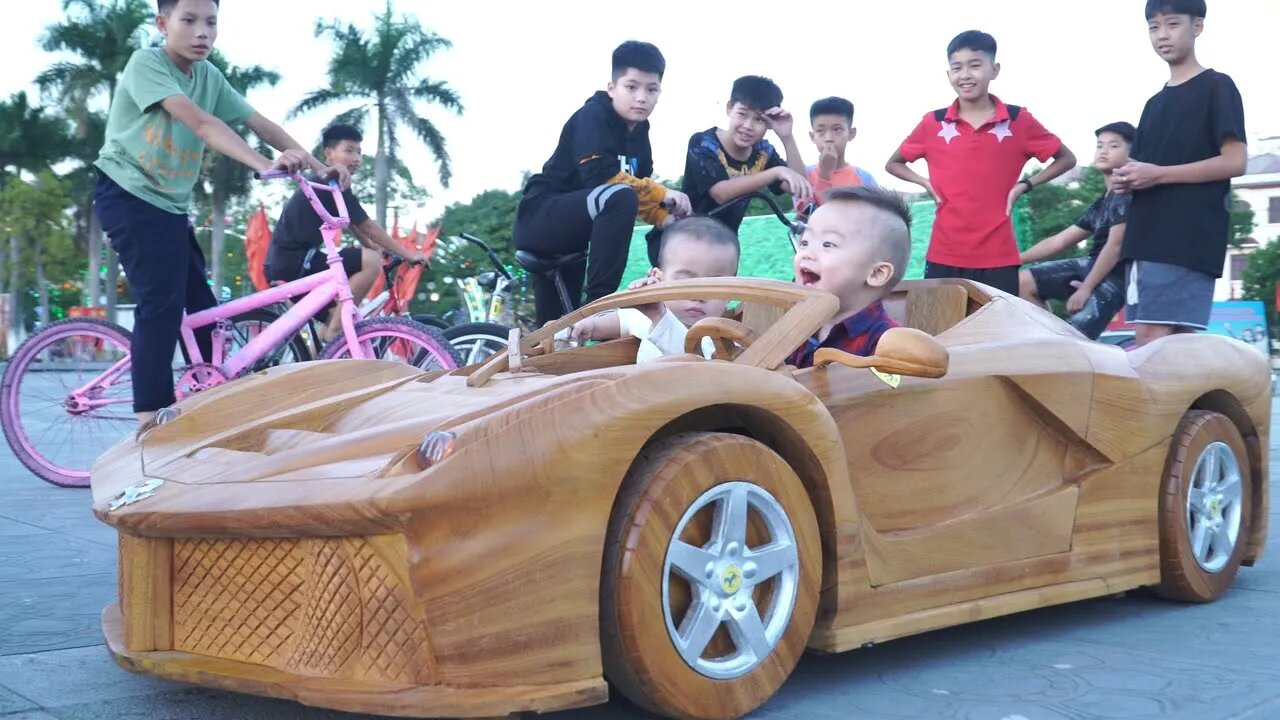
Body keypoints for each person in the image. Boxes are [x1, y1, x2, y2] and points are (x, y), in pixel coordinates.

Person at [92, 0, 350, 428]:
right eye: (188, 21)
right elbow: (203, 125)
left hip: (170, 206)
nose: (202, 33)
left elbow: (259, 122)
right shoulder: (146, 64)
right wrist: (261, 164)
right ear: (162, 24)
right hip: (128, 194)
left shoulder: (208, 76)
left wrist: (319, 167)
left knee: (204, 313)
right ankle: (148, 424)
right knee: (162, 305)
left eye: (210, 23)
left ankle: (202, 407)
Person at [513, 40, 691, 328]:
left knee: (558, 333)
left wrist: (663, 219)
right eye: (631, 87)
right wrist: (662, 192)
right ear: (612, 88)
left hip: (577, 233)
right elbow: (601, 178)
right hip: (541, 219)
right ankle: (601, 304)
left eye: (651, 89)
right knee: (618, 196)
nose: (641, 97)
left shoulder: (641, 134)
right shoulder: (593, 116)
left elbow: (638, 192)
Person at [885, 30, 1076, 296]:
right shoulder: (934, 122)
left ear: (994, 70)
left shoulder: (1018, 120)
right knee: (940, 333)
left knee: (996, 334)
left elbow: (1067, 159)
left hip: (999, 257)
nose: (965, 75)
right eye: (957, 68)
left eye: (975, 65)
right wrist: (924, 182)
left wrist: (1025, 185)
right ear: (948, 74)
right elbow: (893, 163)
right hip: (944, 254)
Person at [1113, 0, 1247, 347]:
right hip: (1145, 240)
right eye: (1154, 27)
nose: (1162, 35)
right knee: (1173, 349)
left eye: (1172, 24)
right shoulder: (1153, 104)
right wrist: (1126, 179)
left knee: (1155, 347)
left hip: (1185, 237)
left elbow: (1235, 161)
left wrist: (1158, 175)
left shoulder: (1217, 85)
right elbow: (1144, 169)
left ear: (1197, 26)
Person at [266, 124, 429, 342]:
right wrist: (408, 254)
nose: (357, 158)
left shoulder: (331, 184)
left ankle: (326, 350)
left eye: (359, 152)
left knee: (333, 320)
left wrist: (373, 246)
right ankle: (337, 330)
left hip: (291, 262)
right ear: (329, 154)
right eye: (349, 150)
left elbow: (353, 224)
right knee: (369, 261)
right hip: (295, 263)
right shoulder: (327, 182)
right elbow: (366, 226)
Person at [646, 75, 813, 266]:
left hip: (722, 248)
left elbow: (799, 187)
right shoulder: (703, 143)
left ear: (769, 123)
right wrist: (775, 173)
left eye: (759, 119)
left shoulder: (764, 152)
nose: (748, 126)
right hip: (676, 243)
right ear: (729, 108)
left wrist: (787, 137)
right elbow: (720, 193)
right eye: (742, 114)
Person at [1018, 122, 1136, 340]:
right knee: (1023, 282)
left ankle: (1060, 347)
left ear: (1132, 154)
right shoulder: (1102, 202)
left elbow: (1116, 246)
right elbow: (1060, 241)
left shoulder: (1127, 194)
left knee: (1074, 340)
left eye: (1113, 146)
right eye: (1100, 145)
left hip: (1116, 278)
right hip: (1091, 267)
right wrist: (1014, 259)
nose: (1103, 150)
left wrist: (1085, 289)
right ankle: (1046, 338)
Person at [569, 216, 739, 361]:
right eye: (686, 282)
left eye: (714, 285)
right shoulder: (648, 318)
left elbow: (696, 369)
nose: (699, 296)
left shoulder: (723, 339)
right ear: (659, 279)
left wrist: (659, 316)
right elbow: (623, 320)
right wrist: (585, 327)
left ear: (731, 292)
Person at [788, 186, 911, 368]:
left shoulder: (887, 344)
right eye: (805, 242)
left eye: (828, 244)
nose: (806, 254)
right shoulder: (796, 328)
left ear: (877, 274)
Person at [796, 96, 878, 220]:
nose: (829, 137)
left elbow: (873, 219)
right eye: (820, 131)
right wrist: (824, 176)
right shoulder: (803, 174)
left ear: (851, 134)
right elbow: (808, 218)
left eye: (837, 129)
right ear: (812, 136)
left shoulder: (865, 179)